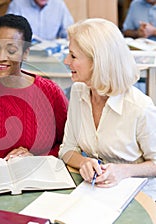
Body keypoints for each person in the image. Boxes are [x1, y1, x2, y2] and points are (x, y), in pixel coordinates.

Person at [0, 14, 68, 189]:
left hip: (37, 182)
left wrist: (37, 158)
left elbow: (68, 143)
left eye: (11, 50)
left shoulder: (50, 92)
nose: (0, 57)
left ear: (26, 53)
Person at [59, 18, 156, 200]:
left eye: (73, 56)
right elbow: (67, 149)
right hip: (97, 193)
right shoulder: (79, 92)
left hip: (141, 197)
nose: (66, 61)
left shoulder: (140, 107)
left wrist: (123, 171)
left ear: (97, 62)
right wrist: (84, 162)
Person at [7, 0, 74, 40]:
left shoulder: (59, 4)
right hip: (25, 54)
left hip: (50, 55)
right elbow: (8, 32)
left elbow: (69, 32)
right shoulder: (17, 4)